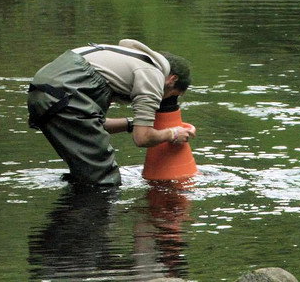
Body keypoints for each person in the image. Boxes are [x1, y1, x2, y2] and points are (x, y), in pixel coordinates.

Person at [27, 39, 195, 186]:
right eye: (172, 97)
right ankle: (91, 221)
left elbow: (93, 124)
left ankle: (73, 219)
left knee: (85, 174)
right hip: (65, 96)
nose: (163, 102)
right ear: (172, 80)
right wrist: (173, 133)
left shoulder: (120, 61)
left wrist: (131, 124)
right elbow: (142, 138)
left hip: (42, 93)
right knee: (105, 181)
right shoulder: (153, 75)